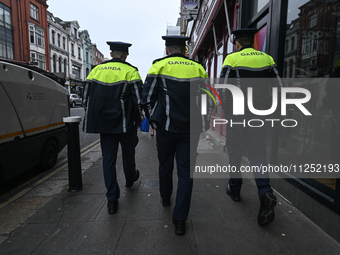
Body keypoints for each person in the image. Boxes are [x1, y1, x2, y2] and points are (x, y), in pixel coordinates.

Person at [142, 36, 211, 235]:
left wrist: (153, 121)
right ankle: (180, 219)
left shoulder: (158, 67)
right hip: (191, 130)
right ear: (185, 49)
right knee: (186, 173)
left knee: (165, 165)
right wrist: (204, 123)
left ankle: (165, 198)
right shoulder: (198, 68)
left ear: (167, 50)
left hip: (165, 128)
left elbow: (146, 98)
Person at [220, 28, 280, 226]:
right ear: (253, 41)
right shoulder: (268, 59)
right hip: (259, 115)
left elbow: (223, 88)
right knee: (257, 154)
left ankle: (235, 189)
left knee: (235, 151)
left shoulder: (232, 60)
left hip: (237, 114)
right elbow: (278, 87)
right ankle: (265, 192)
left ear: (236, 42)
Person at [83, 41, 143, 214]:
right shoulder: (131, 71)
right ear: (126, 55)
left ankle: (112, 200)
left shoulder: (95, 71)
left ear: (110, 54)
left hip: (104, 125)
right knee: (128, 154)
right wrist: (142, 120)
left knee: (108, 161)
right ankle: (130, 179)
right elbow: (139, 99)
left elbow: (86, 98)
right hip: (125, 123)